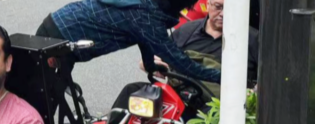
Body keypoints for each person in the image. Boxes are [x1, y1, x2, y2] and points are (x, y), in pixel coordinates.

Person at [105, 0, 259, 124]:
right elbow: (156, 57)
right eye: (218, 7)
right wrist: (149, 63)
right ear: (208, 5)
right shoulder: (187, 31)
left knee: (213, 118)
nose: (223, 14)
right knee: (133, 90)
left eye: (229, 9)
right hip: (176, 99)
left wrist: (254, 91)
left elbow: (270, 77)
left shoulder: (253, 40)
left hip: (214, 106)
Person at [35, 0, 222, 84]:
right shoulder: (148, 17)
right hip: (60, 37)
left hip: (58, 23)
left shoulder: (146, 6)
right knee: (47, 101)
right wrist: (221, 77)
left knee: (51, 95)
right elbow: (180, 61)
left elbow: (143, 38)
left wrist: (150, 65)